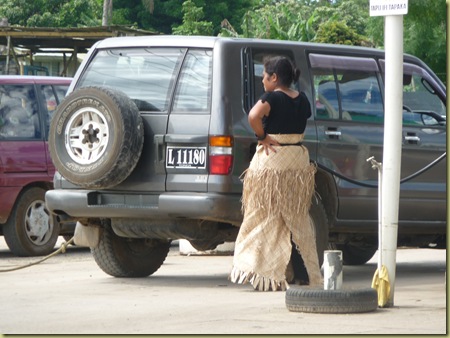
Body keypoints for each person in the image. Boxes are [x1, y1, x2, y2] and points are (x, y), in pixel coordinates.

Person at [230, 56, 323, 291]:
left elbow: (253, 116)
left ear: (274, 78)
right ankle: (309, 274)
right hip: (296, 166)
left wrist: (262, 137)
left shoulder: (271, 97)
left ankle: (262, 271)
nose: (262, 80)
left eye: (264, 76)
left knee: (262, 217)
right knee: (298, 221)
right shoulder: (302, 100)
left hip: (273, 166)